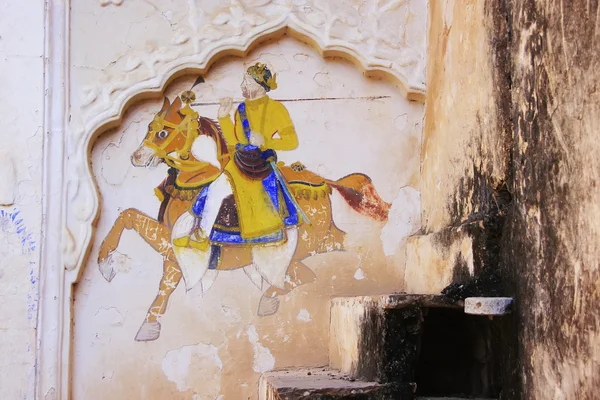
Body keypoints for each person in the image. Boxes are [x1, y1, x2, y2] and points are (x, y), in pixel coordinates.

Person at [183, 62, 302, 249]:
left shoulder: (277, 110)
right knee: (212, 190)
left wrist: (266, 142)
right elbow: (233, 142)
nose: (242, 86)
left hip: (261, 165)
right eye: (243, 81)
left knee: (216, 190)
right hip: (240, 162)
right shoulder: (241, 109)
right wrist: (223, 116)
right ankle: (202, 235)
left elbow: (291, 141)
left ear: (260, 85)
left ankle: (202, 236)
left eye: (247, 82)